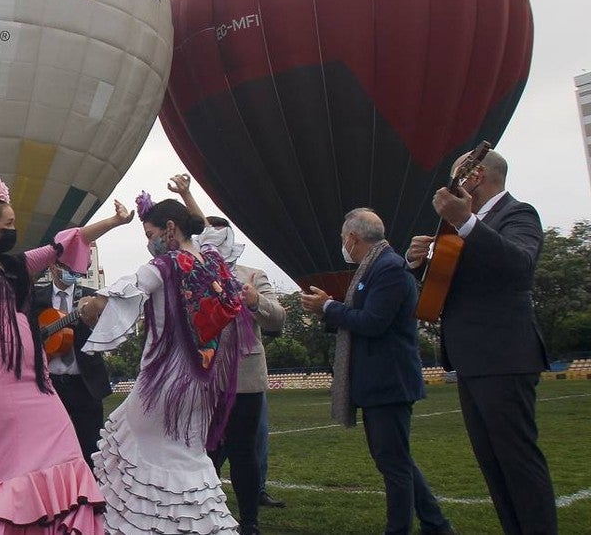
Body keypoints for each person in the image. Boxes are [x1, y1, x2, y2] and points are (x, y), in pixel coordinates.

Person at [0, 181, 131, 535]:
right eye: (8, 224)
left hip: (35, 375)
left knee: (65, 446)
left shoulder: (17, 265)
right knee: (0, 464)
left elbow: (65, 244)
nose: (14, 230)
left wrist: (115, 222)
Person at [406, 150, 556, 535]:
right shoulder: (465, 228)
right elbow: (448, 290)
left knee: (519, 463)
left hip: (504, 356)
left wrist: (465, 221)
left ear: (476, 176)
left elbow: (519, 265)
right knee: (494, 465)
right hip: (470, 358)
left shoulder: (518, 214)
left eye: (457, 174)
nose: (451, 183)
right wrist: (420, 266)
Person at [82, 190, 247, 534]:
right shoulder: (213, 261)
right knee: (189, 456)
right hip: (201, 384)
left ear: (170, 228)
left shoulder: (163, 266)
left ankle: (143, 526)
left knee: (133, 454)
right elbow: (215, 233)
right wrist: (188, 195)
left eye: (151, 235)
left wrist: (89, 307)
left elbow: (121, 297)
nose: (150, 243)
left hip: (161, 383)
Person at [302, 208, 454, 535]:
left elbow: (372, 322)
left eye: (344, 239)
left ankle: (401, 529)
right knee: (396, 461)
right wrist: (331, 307)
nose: (343, 245)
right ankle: (436, 525)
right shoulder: (376, 268)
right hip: (378, 383)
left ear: (353, 238)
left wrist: (328, 307)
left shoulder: (388, 269)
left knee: (394, 465)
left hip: (388, 382)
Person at [198, 215, 285, 533]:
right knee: (202, 452)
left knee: (243, 450)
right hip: (203, 379)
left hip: (244, 380)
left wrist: (255, 300)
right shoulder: (196, 276)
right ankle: (203, 511)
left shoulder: (253, 276)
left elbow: (277, 319)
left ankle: (248, 520)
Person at [30, 257, 112, 468]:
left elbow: (110, 335)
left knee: (91, 451)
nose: (69, 270)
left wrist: (93, 323)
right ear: (52, 266)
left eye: (72, 266)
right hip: (50, 386)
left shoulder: (93, 298)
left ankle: (93, 498)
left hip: (85, 385)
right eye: (64, 266)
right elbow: (28, 335)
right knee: (51, 451)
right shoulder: (35, 298)